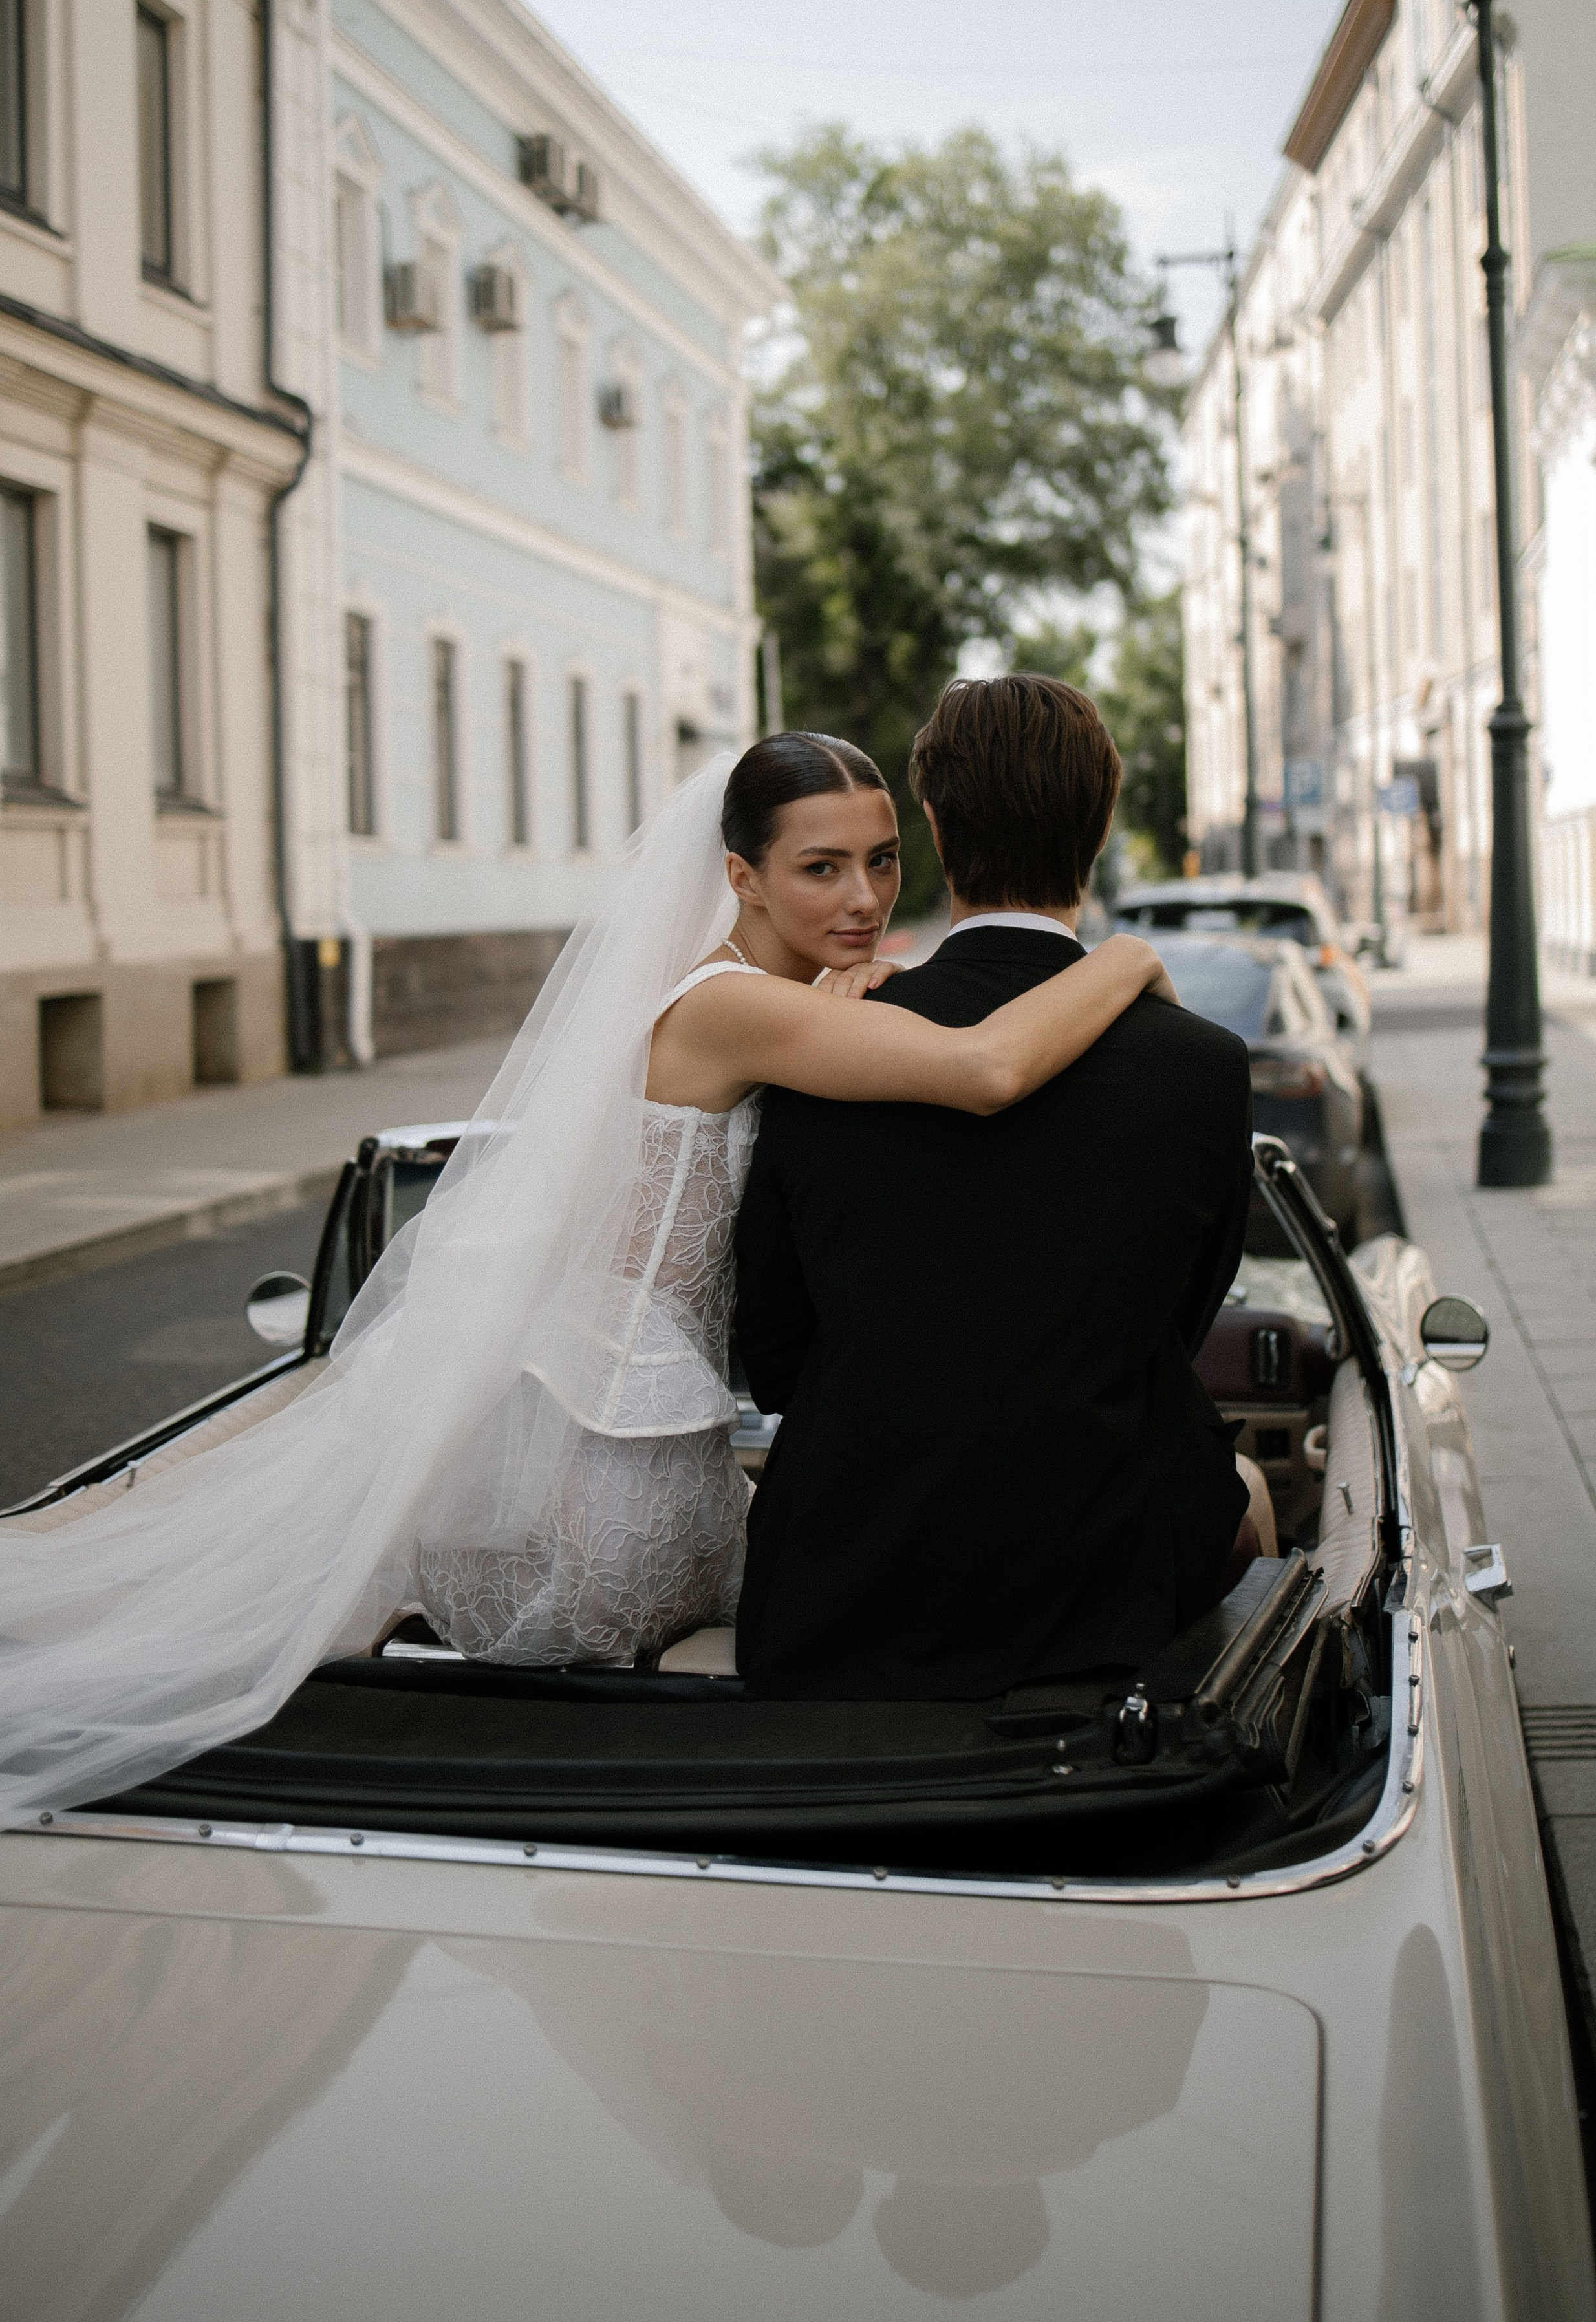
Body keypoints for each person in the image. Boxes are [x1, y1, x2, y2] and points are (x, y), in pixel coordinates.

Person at [0, 736, 1170, 1825]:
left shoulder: (751, 996)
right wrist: (1124, 956)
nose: (864, 900)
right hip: (610, 1489)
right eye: (820, 869)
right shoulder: (729, 1008)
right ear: (741, 876)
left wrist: (831, 995)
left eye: (881, 860)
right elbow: (986, 1068)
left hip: (625, 1450)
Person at [733, 676, 1257, 1702]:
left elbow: (781, 1364)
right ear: (1101, 824)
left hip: (838, 1606)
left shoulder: (831, 1041)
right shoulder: (1205, 1063)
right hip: (1099, 1605)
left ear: (930, 823)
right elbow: (1178, 1320)